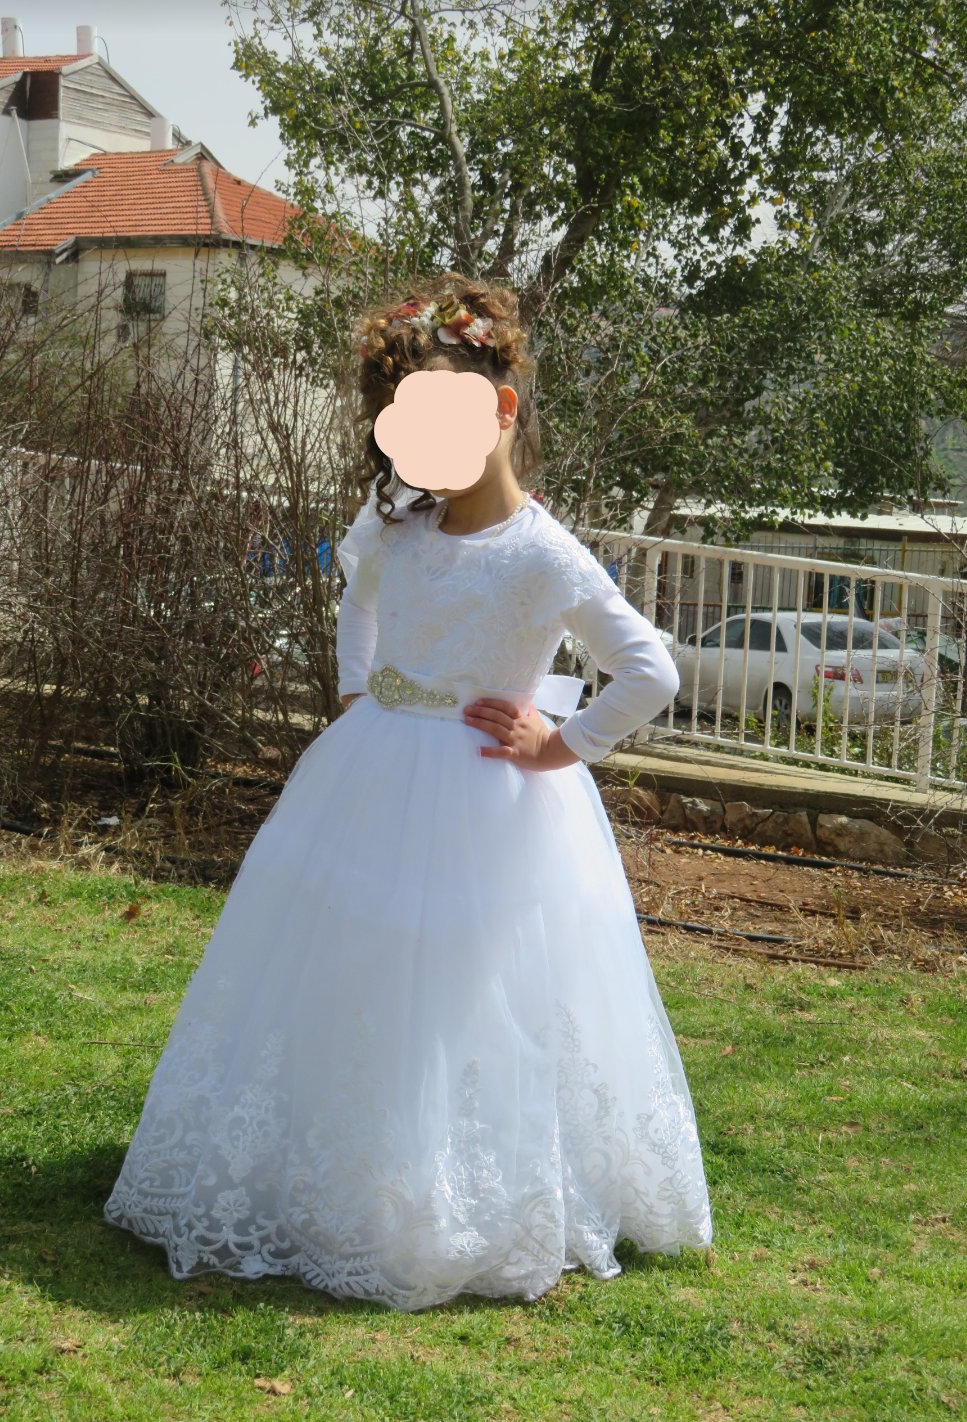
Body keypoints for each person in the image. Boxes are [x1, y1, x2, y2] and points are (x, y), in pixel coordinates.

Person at [105, 274, 713, 1310]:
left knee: (462, 989)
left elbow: (650, 668)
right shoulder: (399, 520)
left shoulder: (543, 553)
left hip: (484, 800)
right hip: (371, 768)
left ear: (501, 411)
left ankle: (434, 1186)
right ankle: (328, 1161)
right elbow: (361, 599)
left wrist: (563, 744)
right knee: (349, 966)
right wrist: (359, 690)